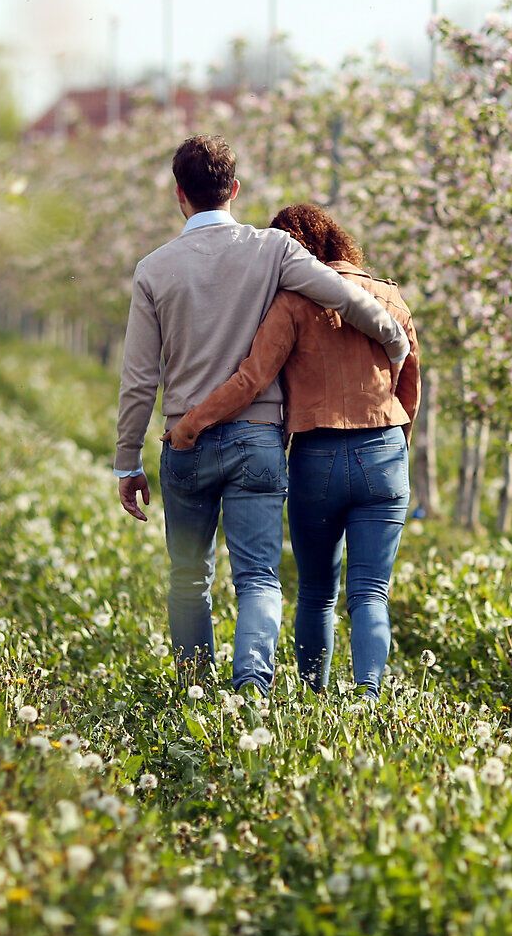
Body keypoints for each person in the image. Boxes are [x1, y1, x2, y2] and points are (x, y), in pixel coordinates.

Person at [114, 138, 410, 695]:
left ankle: (194, 694)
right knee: (258, 579)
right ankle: (253, 690)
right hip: (257, 439)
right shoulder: (271, 250)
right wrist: (394, 342)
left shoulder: (153, 270)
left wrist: (126, 461)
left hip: (185, 440)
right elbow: (343, 295)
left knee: (188, 579)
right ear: (236, 189)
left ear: (179, 195)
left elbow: (138, 380)